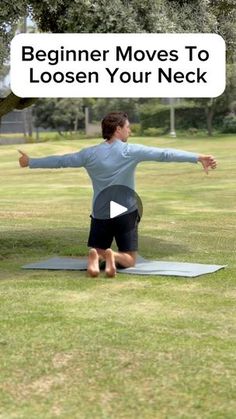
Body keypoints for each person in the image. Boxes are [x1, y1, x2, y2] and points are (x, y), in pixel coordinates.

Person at [18, 112, 217, 278]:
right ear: (118, 129)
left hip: (100, 213)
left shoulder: (89, 153)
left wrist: (31, 161)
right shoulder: (130, 150)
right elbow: (164, 154)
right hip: (125, 212)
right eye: (127, 127)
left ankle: (98, 255)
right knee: (130, 259)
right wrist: (197, 157)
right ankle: (112, 255)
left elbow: (61, 160)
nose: (129, 130)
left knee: (97, 248)